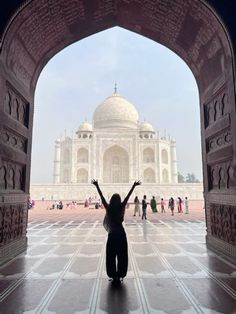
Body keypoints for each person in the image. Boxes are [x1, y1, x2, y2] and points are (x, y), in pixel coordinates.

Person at [92, 179, 141, 284]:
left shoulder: (109, 209)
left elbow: (102, 198)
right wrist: (134, 186)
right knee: (122, 255)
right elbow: (128, 196)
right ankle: (120, 274)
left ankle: (113, 275)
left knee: (111, 255)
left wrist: (97, 185)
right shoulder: (121, 207)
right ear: (119, 201)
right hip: (121, 234)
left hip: (112, 235)